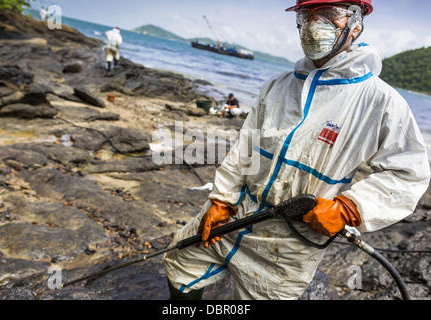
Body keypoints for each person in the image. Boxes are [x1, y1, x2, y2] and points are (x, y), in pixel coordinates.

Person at [164, 0, 431, 300]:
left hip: (290, 242)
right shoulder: (277, 86)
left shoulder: (380, 102)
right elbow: (245, 148)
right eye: (307, 15)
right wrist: (222, 199)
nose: (314, 25)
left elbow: (408, 173)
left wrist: (349, 208)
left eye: (330, 14)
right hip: (237, 212)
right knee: (180, 260)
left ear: (356, 24)